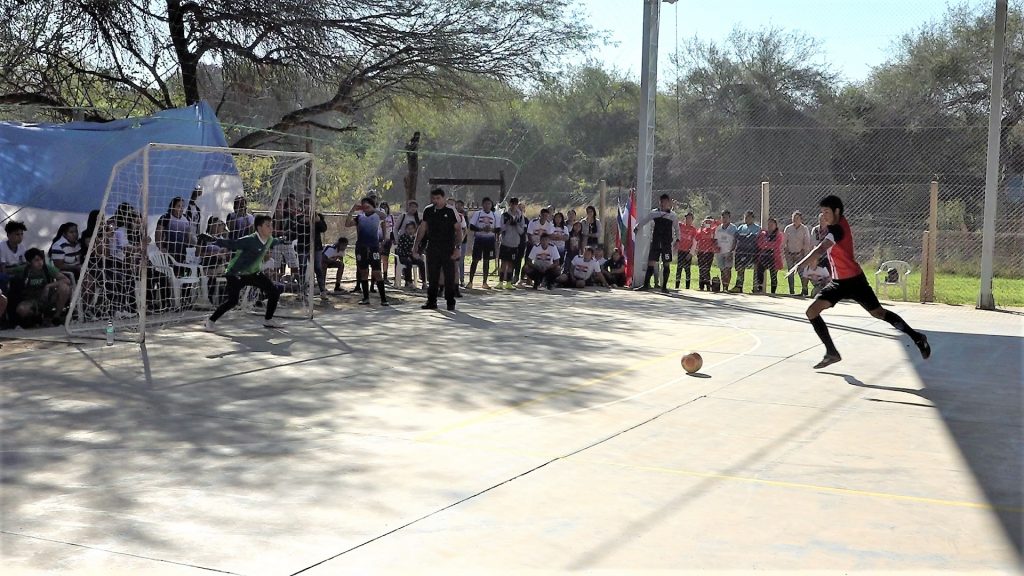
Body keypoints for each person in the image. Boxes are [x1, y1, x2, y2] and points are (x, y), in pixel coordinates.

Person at [788, 195, 931, 369]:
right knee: (812, 311)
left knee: (878, 313)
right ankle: (831, 352)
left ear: (837, 211)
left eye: (826, 212)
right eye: (821, 212)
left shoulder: (838, 229)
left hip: (855, 281)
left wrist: (801, 264)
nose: (823, 215)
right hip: (838, 283)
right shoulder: (834, 225)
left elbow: (821, 249)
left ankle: (917, 337)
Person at [204, 215, 287, 331]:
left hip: (253, 273)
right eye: (268, 226)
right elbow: (232, 244)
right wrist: (213, 240)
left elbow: (276, 241)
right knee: (233, 301)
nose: (271, 228)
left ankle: (268, 320)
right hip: (235, 274)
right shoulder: (249, 240)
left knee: (274, 292)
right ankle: (210, 320)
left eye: (271, 225)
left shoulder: (270, 239)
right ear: (259, 227)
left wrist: (284, 239)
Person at [415, 188, 461, 310]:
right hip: (433, 247)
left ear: (444, 198)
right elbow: (422, 229)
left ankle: (450, 301)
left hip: (448, 248)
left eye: (438, 198)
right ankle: (431, 301)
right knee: (433, 276)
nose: (436, 201)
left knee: (449, 276)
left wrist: (457, 248)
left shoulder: (450, 211)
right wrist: (416, 246)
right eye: (433, 198)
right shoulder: (428, 210)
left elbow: (458, 230)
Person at [7, 248, 72, 327]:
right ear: (29, 262)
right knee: (22, 309)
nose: (40, 262)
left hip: (47, 297)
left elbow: (66, 280)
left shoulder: (47, 268)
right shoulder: (24, 270)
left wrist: (48, 286)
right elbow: (7, 271)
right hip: (31, 300)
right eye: (36, 260)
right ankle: (36, 319)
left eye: (41, 259)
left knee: (64, 288)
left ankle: (56, 317)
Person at [345, 197, 389, 306]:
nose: (364, 207)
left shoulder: (377, 215)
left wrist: (372, 209)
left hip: (373, 247)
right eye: (363, 205)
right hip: (361, 247)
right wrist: (352, 210)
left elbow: (384, 216)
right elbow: (347, 224)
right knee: (363, 272)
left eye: (367, 205)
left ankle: (383, 299)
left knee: (377, 272)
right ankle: (365, 298)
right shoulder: (359, 217)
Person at [634, 194, 678, 293]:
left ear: (669, 203)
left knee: (666, 263)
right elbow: (645, 220)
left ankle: (664, 287)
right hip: (656, 242)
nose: (663, 204)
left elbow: (676, 228)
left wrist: (678, 240)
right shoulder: (655, 213)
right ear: (659, 202)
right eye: (662, 202)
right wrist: (637, 227)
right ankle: (645, 285)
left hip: (666, 243)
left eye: (666, 202)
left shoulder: (672, 215)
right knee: (651, 262)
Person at [467, 197, 498, 289]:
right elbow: (471, 226)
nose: (487, 206)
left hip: (490, 240)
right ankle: (470, 282)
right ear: (482, 205)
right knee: (475, 260)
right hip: (479, 239)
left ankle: (485, 282)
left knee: (486, 260)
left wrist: (491, 230)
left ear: (491, 205)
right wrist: (481, 229)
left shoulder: (495, 215)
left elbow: (499, 228)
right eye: (485, 204)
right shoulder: (478, 213)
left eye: (489, 204)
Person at [496, 197, 526, 290]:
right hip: (505, 242)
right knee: (503, 263)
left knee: (511, 263)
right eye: (512, 203)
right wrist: (507, 224)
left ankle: (508, 282)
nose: (514, 205)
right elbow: (501, 229)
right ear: (510, 204)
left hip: (515, 243)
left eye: (515, 204)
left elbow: (522, 231)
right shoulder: (504, 215)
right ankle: (500, 282)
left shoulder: (520, 216)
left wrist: (516, 224)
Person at [730, 210, 761, 293]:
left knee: (755, 268)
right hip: (740, 251)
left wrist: (743, 237)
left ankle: (755, 287)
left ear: (752, 218)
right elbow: (736, 236)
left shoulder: (757, 228)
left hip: (750, 251)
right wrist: (745, 237)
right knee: (740, 269)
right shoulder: (741, 227)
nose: (746, 219)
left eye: (748, 217)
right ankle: (739, 286)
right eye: (745, 217)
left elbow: (752, 238)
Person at [784, 211, 813, 296]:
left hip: (800, 254)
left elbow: (807, 242)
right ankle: (791, 291)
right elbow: (785, 241)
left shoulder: (804, 229)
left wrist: (802, 252)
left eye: (797, 218)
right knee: (790, 273)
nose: (795, 220)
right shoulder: (788, 228)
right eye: (793, 218)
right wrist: (786, 252)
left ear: (801, 219)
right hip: (789, 254)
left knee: (802, 272)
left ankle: (804, 290)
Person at [754, 218, 784, 294]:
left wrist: (766, 245)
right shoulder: (763, 233)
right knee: (759, 270)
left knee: (773, 274)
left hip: (773, 256)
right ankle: (760, 288)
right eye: (768, 224)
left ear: (776, 225)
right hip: (764, 255)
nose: (770, 226)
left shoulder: (778, 234)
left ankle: (773, 292)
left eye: (772, 224)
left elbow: (776, 245)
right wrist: (767, 245)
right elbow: (760, 244)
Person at [395, 222, 425, 290]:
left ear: (415, 230)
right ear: (406, 229)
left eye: (412, 229)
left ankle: (424, 282)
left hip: (412, 255)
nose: (410, 230)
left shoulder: (415, 238)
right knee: (408, 262)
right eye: (409, 229)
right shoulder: (402, 237)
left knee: (421, 262)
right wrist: (407, 255)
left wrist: (418, 254)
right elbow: (400, 250)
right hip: (403, 256)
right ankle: (409, 281)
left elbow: (419, 248)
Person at [714, 210, 737, 291]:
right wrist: (716, 247)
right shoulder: (718, 228)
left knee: (728, 270)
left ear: (729, 218)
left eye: (726, 217)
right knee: (722, 270)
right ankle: (723, 287)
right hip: (720, 252)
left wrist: (731, 251)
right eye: (723, 217)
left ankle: (726, 287)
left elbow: (735, 240)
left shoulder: (733, 228)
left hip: (728, 252)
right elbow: (715, 240)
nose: (724, 219)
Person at [695, 216, 718, 291]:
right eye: (706, 222)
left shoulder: (713, 229)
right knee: (701, 268)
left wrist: (713, 222)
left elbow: (719, 224)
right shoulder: (701, 229)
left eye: (709, 222)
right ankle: (701, 286)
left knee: (707, 269)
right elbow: (697, 238)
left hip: (709, 252)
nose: (708, 223)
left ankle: (708, 286)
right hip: (701, 251)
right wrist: (701, 228)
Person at [675, 212, 697, 290]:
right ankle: (676, 286)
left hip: (687, 252)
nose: (688, 220)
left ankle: (687, 287)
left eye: (690, 219)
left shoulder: (693, 230)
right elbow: (674, 221)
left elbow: (694, 242)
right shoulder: (680, 225)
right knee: (679, 268)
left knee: (687, 269)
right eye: (687, 218)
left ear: (692, 220)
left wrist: (691, 253)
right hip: (681, 250)